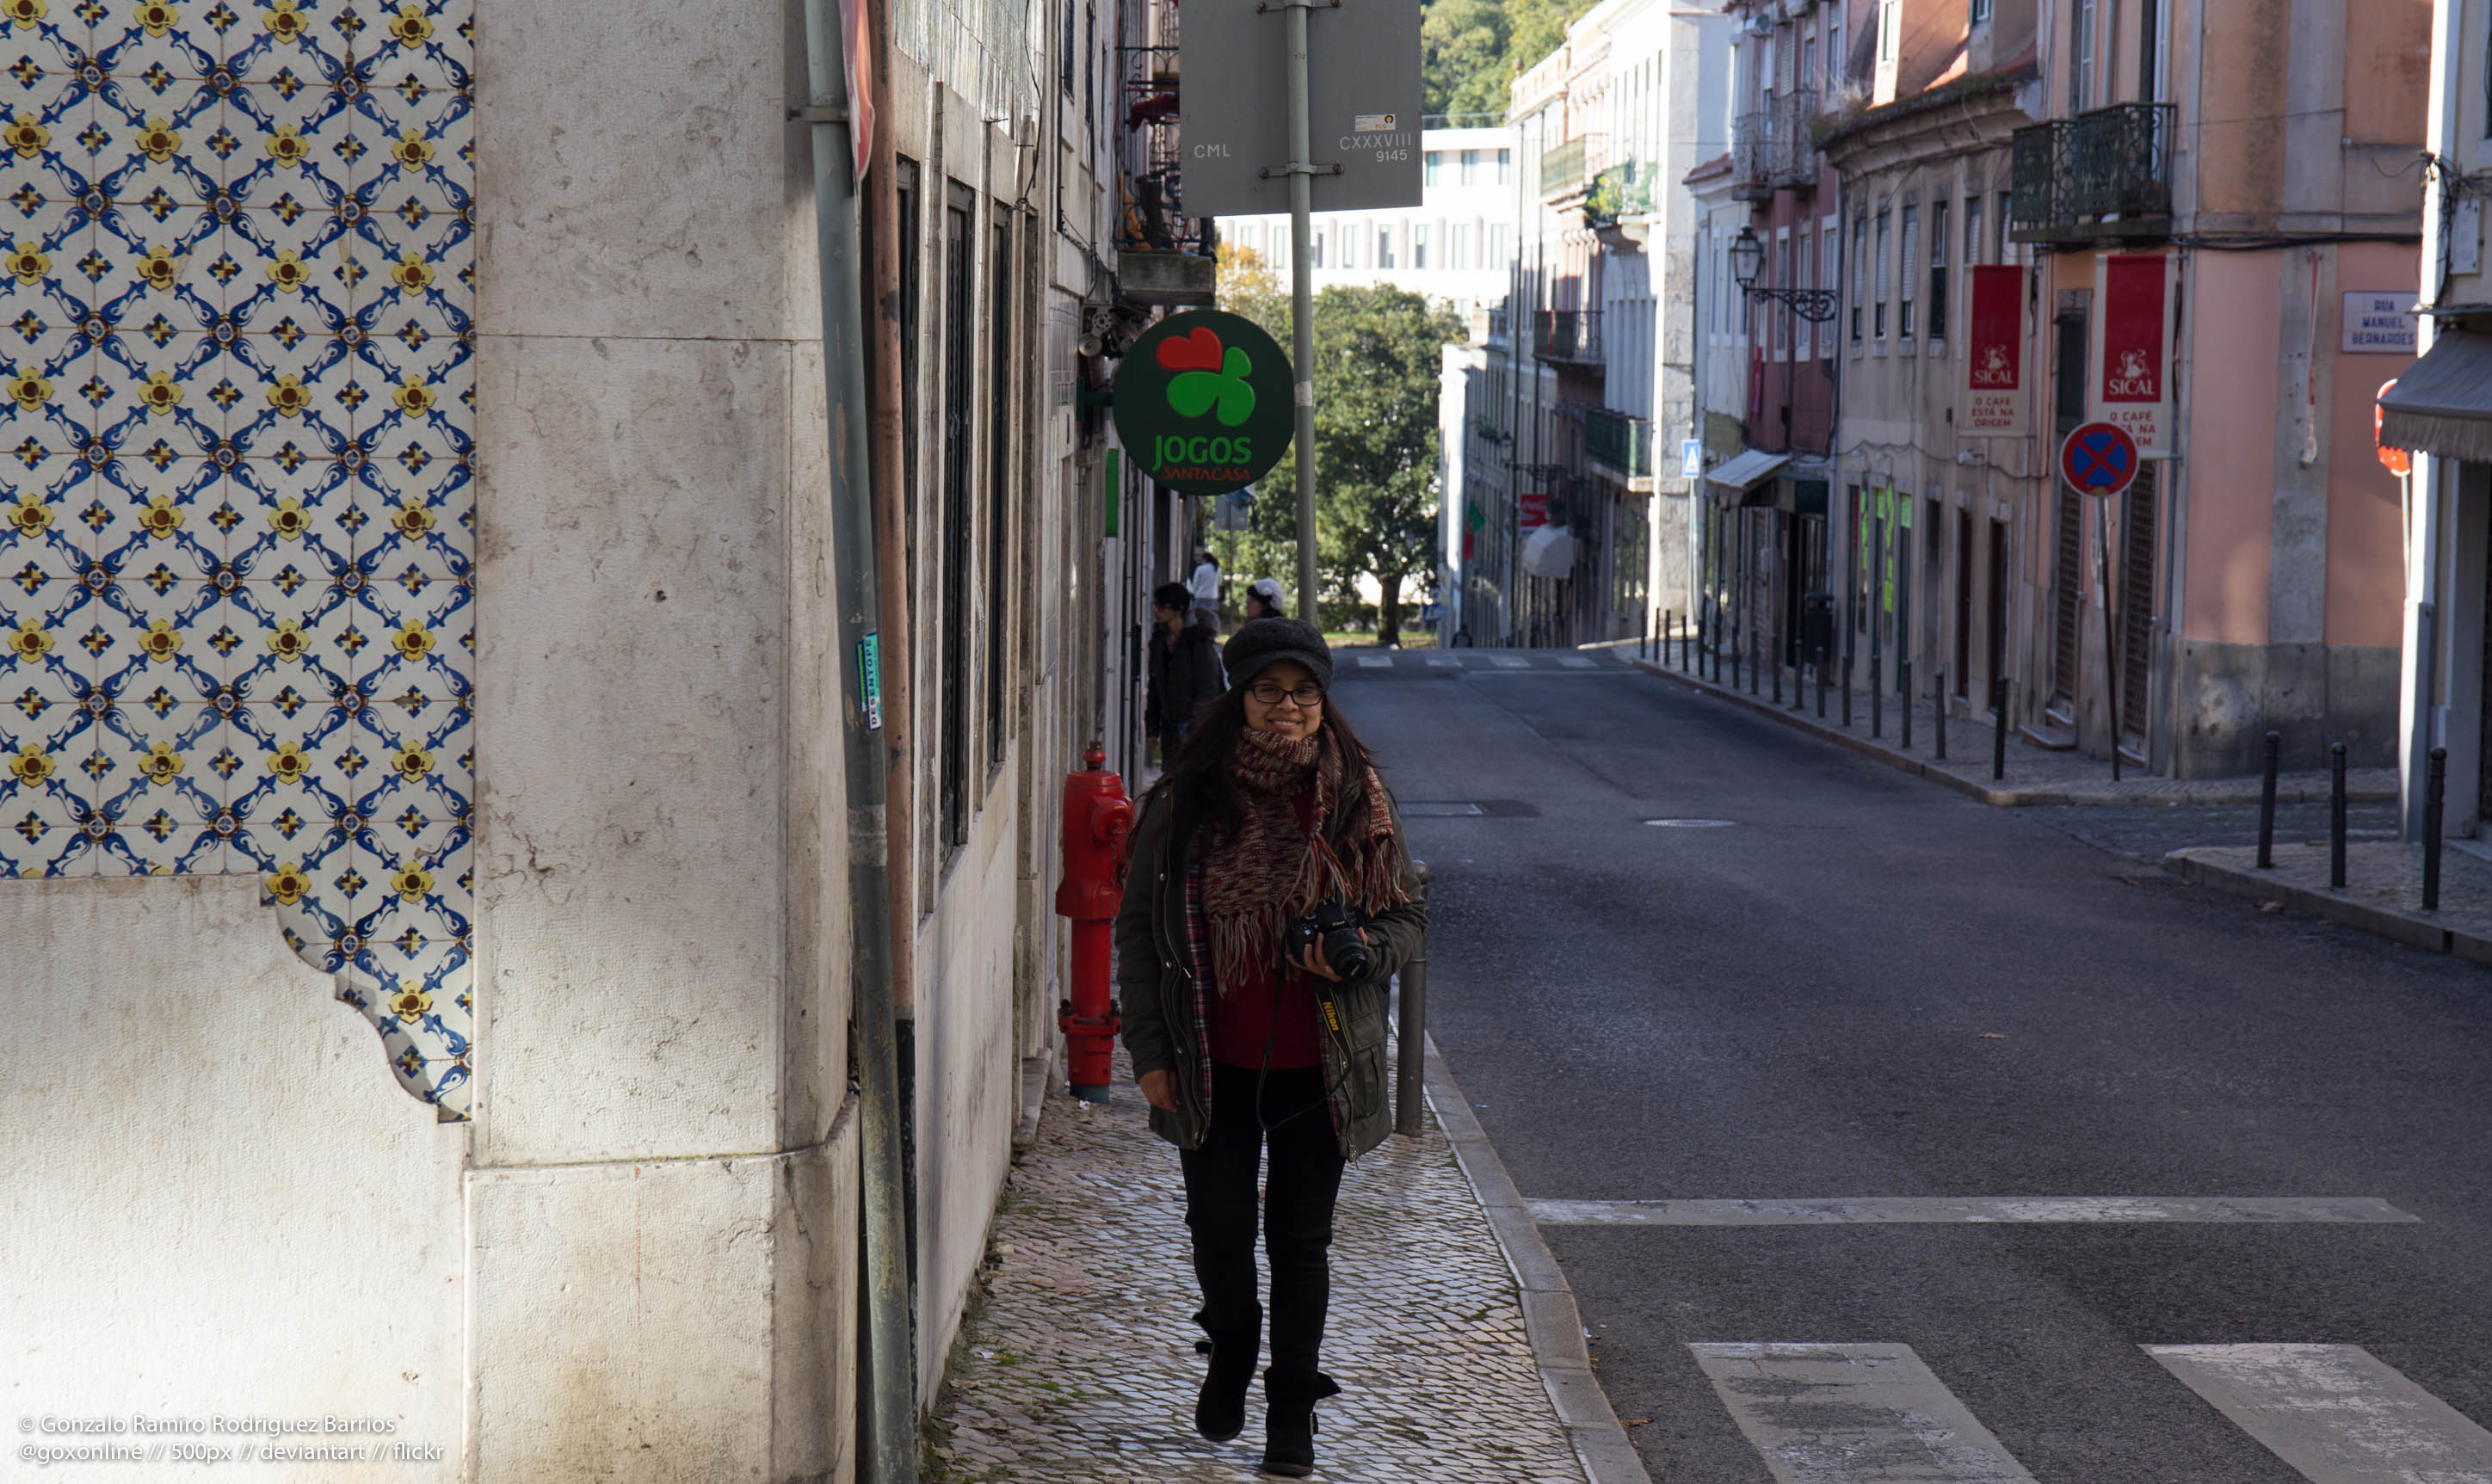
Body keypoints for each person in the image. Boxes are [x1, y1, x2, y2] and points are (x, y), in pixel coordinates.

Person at [1115, 618, 1428, 1477]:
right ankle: (1231, 1342)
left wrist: (1361, 952)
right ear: (1239, 697)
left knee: (1299, 1244)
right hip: (1208, 1060)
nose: (1287, 707)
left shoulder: (1358, 796)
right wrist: (1149, 1052)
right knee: (1218, 1234)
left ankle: (1292, 1415)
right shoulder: (1186, 800)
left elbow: (1407, 913)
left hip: (1320, 1066)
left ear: (1322, 699)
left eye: (1303, 692)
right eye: (1268, 690)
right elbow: (1139, 934)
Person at [1145, 581, 1226, 764]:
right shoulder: (1159, 642)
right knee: (1171, 775)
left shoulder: (1199, 642)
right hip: (1170, 727)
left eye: (1162, 606)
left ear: (1179, 608)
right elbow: (1156, 686)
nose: (1156, 611)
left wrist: (1197, 730)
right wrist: (1152, 727)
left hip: (1197, 728)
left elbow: (1209, 691)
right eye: (1155, 605)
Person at [1190, 548, 1223, 619]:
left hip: (1200, 597)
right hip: (1213, 597)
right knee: (1211, 619)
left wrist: (1194, 594)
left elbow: (1195, 584)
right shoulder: (1217, 569)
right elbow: (1219, 584)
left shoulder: (1200, 568)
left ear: (1205, 559)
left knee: (1199, 618)